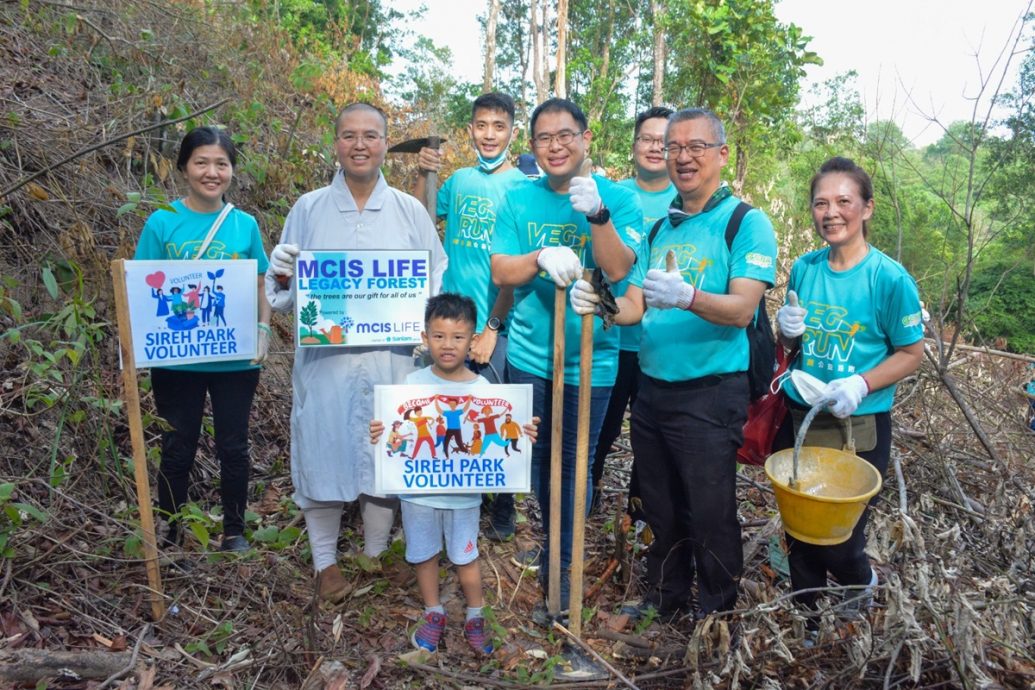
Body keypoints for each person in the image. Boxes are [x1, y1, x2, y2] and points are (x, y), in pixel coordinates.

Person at [571, 107, 777, 619]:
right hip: (652, 388)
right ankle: (665, 601)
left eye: (696, 147)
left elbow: (741, 309)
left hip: (710, 393)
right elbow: (636, 303)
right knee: (659, 505)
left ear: (721, 154)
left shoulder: (744, 223)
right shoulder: (662, 226)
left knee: (710, 512)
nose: (683, 157)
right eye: (675, 147)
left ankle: (716, 616)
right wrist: (605, 307)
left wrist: (688, 296)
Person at [265, 102, 447, 603]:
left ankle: (372, 552)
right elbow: (279, 295)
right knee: (324, 448)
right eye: (349, 135)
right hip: (328, 363)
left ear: (387, 143)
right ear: (336, 143)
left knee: (382, 451)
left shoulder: (410, 212)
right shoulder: (308, 208)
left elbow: (434, 278)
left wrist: (419, 318)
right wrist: (280, 271)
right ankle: (326, 563)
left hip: (391, 358)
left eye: (370, 135)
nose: (360, 144)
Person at [491, 97, 643, 614]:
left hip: (593, 362)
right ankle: (553, 550)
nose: (555, 146)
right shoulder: (518, 197)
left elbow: (620, 269)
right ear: (532, 146)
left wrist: (597, 215)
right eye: (543, 138)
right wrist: (539, 258)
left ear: (585, 137)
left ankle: (564, 577)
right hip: (531, 359)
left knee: (576, 471)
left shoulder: (619, 198)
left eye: (565, 135)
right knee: (537, 466)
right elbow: (501, 271)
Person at [774, 156, 924, 619]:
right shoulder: (804, 268)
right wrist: (787, 332)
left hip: (858, 425)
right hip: (801, 417)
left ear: (867, 208)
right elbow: (792, 346)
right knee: (799, 532)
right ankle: (808, 622)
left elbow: (911, 353)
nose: (831, 212)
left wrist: (861, 382)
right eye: (821, 203)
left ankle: (860, 593)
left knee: (840, 535)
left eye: (844, 201)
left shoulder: (889, 278)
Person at [369, 293, 538, 655]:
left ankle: (476, 615)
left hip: (463, 496)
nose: (448, 345)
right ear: (425, 337)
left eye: (458, 337)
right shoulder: (409, 384)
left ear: (473, 340)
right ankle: (433, 612)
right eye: (439, 336)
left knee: (466, 555)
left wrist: (524, 434)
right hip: (418, 494)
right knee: (424, 554)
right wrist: (382, 435)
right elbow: (397, 437)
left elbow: (503, 431)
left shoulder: (484, 389)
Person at [133, 125, 272, 553]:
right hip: (177, 359)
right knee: (177, 446)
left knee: (234, 446)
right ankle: (171, 529)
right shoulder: (163, 221)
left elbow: (262, 283)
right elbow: (140, 286)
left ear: (232, 170)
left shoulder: (244, 225)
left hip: (235, 358)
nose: (212, 172)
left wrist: (263, 329)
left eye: (221, 164)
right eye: (201, 162)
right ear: (183, 167)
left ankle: (234, 530)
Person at [415, 92, 529, 540]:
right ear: (470, 130)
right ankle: (457, 495)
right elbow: (422, 218)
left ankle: (502, 505)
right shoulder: (459, 180)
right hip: (450, 318)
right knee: (450, 409)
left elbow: (516, 269)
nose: (489, 135)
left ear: (511, 132)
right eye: (481, 125)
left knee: (496, 411)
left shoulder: (522, 187)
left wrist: (490, 328)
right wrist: (425, 173)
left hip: (496, 322)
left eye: (498, 126)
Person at [591, 106, 675, 515]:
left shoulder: (689, 200)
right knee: (599, 433)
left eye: (664, 140)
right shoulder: (612, 195)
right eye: (647, 138)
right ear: (634, 145)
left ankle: (640, 516)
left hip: (660, 344)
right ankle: (583, 500)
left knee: (652, 439)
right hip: (610, 336)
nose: (655, 147)